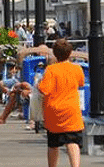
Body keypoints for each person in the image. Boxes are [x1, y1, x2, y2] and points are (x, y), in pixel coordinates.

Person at [39, 39, 84, 167]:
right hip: (71, 110)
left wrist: (38, 84)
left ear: (55, 53)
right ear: (70, 53)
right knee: (73, 141)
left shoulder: (51, 70)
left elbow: (44, 89)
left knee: (53, 144)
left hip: (54, 111)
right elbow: (81, 83)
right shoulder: (77, 69)